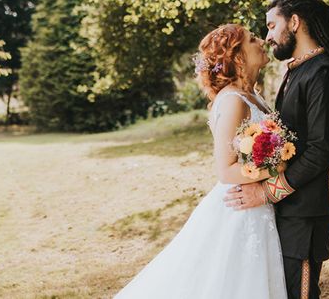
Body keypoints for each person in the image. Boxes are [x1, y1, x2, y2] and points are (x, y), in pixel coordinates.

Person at [115, 23, 288, 298]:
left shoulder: (252, 94)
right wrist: (277, 167)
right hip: (240, 208)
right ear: (238, 56)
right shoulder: (232, 100)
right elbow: (226, 170)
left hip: (258, 206)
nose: (261, 42)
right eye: (252, 39)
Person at [224, 0, 329, 299]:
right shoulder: (300, 70)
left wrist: (268, 191)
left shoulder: (323, 73)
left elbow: (322, 149)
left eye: (272, 26)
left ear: (295, 22)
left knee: (298, 290)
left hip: (312, 203)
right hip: (296, 202)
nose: (268, 36)